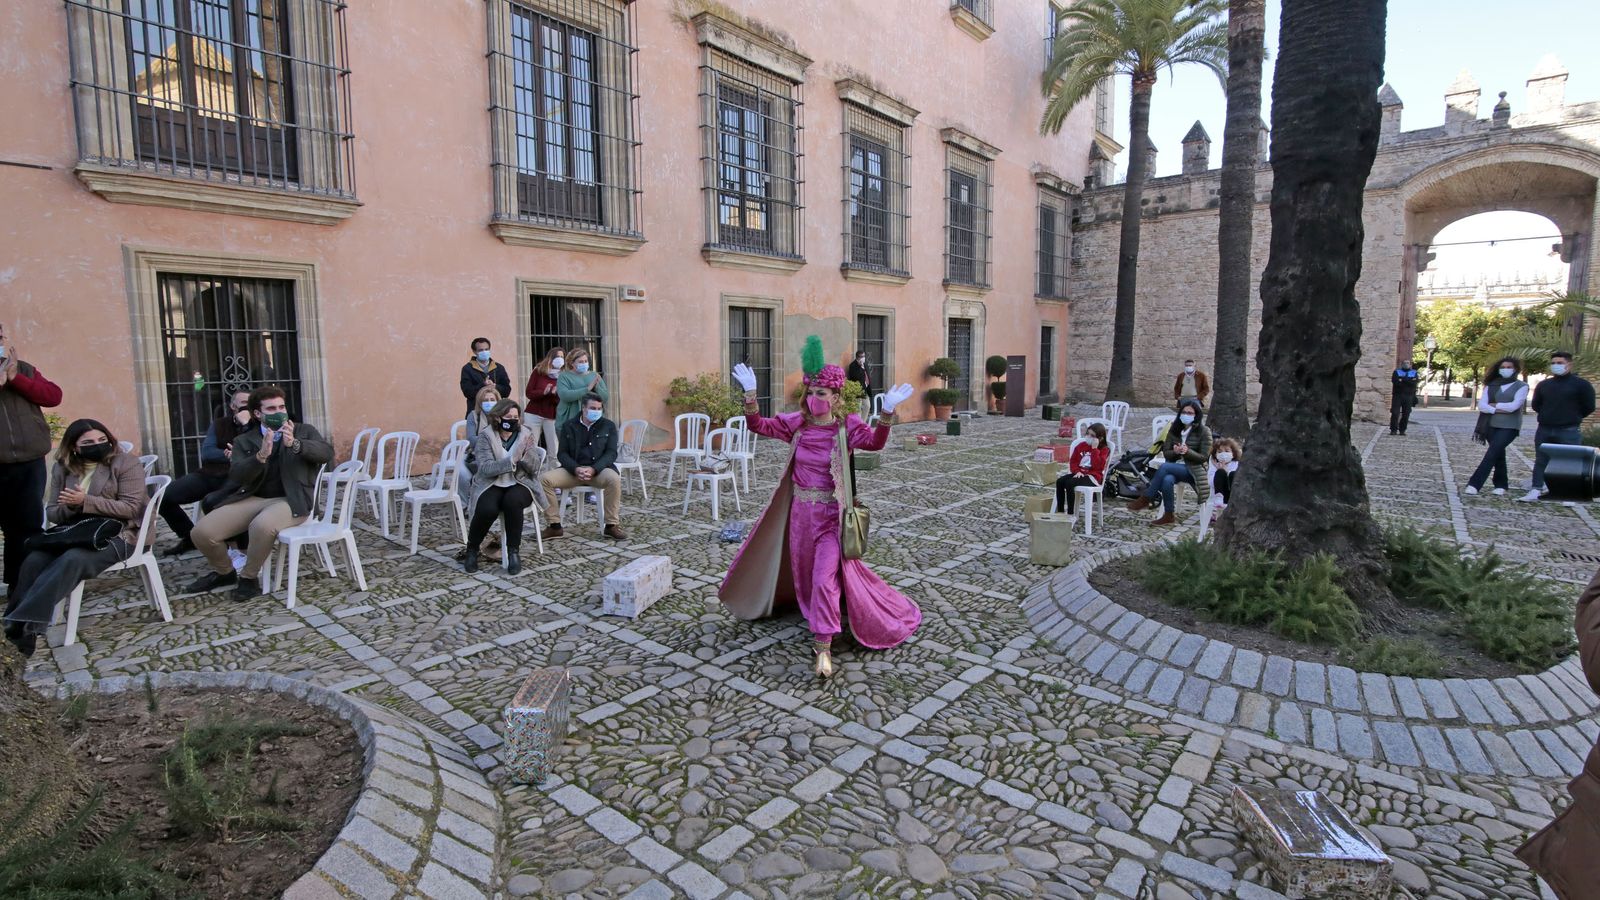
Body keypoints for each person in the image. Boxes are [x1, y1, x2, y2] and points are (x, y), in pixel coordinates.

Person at [718, 343, 922, 679]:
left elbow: (874, 443)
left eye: (823, 392)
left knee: (824, 579)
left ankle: (823, 644)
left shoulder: (847, 426)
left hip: (830, 517)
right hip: (799, 516)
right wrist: (751, 395)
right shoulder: (796, 424)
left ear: (836, 397)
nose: (816, 398)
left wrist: (886, 414)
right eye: (812, 391)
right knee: (806, 574)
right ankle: (817, 613)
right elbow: (759, 426)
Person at [2, 419, 145, 657]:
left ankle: (19, 627)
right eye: (88, 442)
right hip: (76, 531)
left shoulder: (125, 463)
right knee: (35, 558)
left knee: (73, 559)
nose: (97, 445)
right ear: (75, 447)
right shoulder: (63, 467)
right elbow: (53, 513)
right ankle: (19, 626)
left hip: (120, 534)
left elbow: (130, 508)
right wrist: (70, 507)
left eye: (102, 440)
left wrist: (85, 501)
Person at [182, 386, 333, 600]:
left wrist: (296, 444)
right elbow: (237, 474)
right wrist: (260, 456)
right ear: (257, 414)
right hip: (254, 497)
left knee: (261, 526)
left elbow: (326, 453)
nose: (279, 412)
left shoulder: (303, 430)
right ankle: (224, 572)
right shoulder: (245, 440)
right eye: (271, 408)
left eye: (282, 407)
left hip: (293, 499)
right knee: (202, 532)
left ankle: (248, 577)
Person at [0, 321, 64, 597]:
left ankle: (21, 584)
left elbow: (53, 396)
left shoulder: (22, 368)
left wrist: (17, 379)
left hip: (29, 461)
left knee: (26, 525)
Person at [159, 389, 253, 556]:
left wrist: (240, 447)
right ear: (233, 406)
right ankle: (189, 538)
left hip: (238, 479)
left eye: (251, 404)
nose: (248, 407)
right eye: (243, 403)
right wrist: (230, 456)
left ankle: (232, 548)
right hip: (211, 473)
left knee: (215, 502)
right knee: (164, 497)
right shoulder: (219, 424)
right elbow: (207, 453)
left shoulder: (257, 426)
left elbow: (255, 454)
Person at [463, 400, 544, 575]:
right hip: (492, 482)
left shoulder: (525, 434)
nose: (513, 420)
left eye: (516, 417)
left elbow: (535, 468)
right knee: (487, 508)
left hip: (520, 482)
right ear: (498, 417)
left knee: (512, 502)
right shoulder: (486, 436)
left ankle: (513, 551)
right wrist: (512, 460)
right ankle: (472, 549)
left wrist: (524, 456)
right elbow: (485, 468)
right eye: (508, 417)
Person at [539, 393, 628, 540]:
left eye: (599, 408)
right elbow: (562, 454)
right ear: (584, 408)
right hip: (573, 471)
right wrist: (575, 468)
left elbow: (611, 453)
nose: (596, 411)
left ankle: (611, 525)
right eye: (593, 408)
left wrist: (594, 469)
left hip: (599, 471)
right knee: (544, 480)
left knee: (614, 479)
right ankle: (554, 526)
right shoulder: (569, 425)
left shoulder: (608, 426)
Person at [1520, 351, 1597, 502]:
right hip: (1545, 428)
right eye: (1553, 363)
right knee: (1541, 460)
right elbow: (1536, 405)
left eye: (1560, 363)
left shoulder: (1581, 385)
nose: (1556, 366)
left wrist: (1572, 417)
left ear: (1569, 364)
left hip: (1568, 430)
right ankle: (1536, 489)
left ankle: (1568, 493)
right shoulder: (1544, 385)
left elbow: (1589, 406)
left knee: (1570, 461)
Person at [1128, 401, 1211, 526]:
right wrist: (1176, 452)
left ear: (1196, 415)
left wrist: (1188, 452)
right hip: (1174, 467)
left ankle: (1147, 497)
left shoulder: (1204, 431)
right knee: (1167, 479)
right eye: (1183, 412)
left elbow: (1204, 457)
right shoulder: (1174, 429)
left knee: (1165, 467)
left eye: (1190, 413)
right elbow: (1166, 453)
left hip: (1194, 469)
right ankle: (1168, 515)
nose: (1186, 415)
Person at [1465, 357, 1527, 496]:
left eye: (1509, 367)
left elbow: (1514, 406)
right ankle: (1501, 484)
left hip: (1510, 426)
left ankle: (1474, 483)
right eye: (1503, 367)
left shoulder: (1521, 386)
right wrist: (1495, 409)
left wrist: (1493, 406)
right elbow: (1482, 406)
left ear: (1515, 369)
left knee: (1492, 452)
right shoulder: (1491, 385)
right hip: (1491, 424)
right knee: (1498, 454)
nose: (1506, 369)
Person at [1055, 422, 1110, 516]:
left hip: (1093, 476)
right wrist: (1077, 471)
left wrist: (1094, 449)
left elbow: (1098, 466)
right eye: (1087, 433)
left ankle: (1070, 514)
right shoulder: (1081, 446)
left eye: (1092, 435)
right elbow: (1073, 461)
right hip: (1079, 473)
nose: (1088, 436)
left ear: (1100, 438)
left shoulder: (1104, 450)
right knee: (1060, 481)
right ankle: (1060, 511)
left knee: (1069, 483)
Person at [524, 346, 564, 461]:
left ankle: (554, 475)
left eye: (562, 357)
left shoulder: (565, 376)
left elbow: (563, 399)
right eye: (557, 356)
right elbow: (529, 393)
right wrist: (544, 392)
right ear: (550, 358)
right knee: (530, 446)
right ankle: (529, 472)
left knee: (554, 447)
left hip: (552, 415)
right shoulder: (539, 371)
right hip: (534, 413)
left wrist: (554, 395)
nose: (560, 359)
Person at [459, 337, 511, 419]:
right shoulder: (467, 369)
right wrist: (483, 385)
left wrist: (495, 387)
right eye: (481, 350)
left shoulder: (499, 368)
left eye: (486, 349)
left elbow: (507, 391)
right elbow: (467, 392)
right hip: (476, 413)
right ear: (474, 351)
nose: (484, 352)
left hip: (497, 413)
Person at [555, 348, 608, 428]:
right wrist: (587, 389)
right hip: (569, 420)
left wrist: (596, 387)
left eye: (586, 361)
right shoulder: (564, 376)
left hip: (592, 421)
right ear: (572, 363)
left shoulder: (594, 375)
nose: (584, 363)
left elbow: (605, 397)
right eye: (580, 362)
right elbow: (564, 395)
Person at [1209, 437, 1242, 514]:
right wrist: (1219, 470)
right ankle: (1219, 497)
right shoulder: (1214, 465)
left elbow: (1238, 482)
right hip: (1219, 494)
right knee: (1220, 472)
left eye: (1227, 451)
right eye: (1220, 452)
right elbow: (1210, 482)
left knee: (1233, 474)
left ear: (1233, 454)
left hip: (1232, 494)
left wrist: (1226, 471)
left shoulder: (1236, 464)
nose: (1223, 454)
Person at [1390, 359, 1420, 435]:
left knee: (1406, 413)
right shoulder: (1396, 372)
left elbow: (1414, 383)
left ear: (1410, 364)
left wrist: (1403, 379)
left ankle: (1402, 430)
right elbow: (1396, 382)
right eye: (1404, 363)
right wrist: (1408, 381)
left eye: (1408, 363)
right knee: (1395, 413)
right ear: (1401, 364)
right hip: (1397, 395)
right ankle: (1393, 429)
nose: (1406, 364)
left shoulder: (1414, 372)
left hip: (1409, 396)